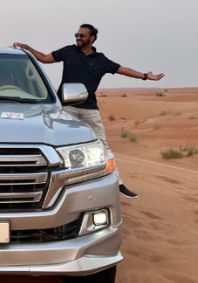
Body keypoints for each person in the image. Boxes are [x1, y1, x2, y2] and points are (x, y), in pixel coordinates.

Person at [14, 24, 165, 199]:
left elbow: (123, 70)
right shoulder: (69, 51)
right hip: (66, 108)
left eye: (82, 35)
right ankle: (66, 185)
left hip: (89, 109)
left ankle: (117, 183)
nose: (78, 38)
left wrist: (145, 76)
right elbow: (44, 58)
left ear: (92, 38)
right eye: (76, 35)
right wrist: (27, 48)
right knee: (61, 145)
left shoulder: (101, 60)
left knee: (103, 145)